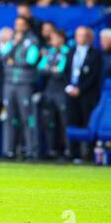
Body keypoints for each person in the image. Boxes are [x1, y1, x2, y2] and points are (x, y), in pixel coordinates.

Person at [0, 16, 40, 159]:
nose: (18, 26)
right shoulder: (12, 40)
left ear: (27, 25)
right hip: (9, 83)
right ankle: (9, 150)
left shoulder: (33, 41)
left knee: (27, 117)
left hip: (25, 83)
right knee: (9, 117)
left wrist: (14, 62)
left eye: (21, 24)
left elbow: (31, 60)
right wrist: (15, 45)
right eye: (16, 24)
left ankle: (31, 150)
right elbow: (3, 57)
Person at [64, 26, 102, 161]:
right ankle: (73, 153)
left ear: (88, 37)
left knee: (87, 122)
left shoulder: (95, 54)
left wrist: (80, 89)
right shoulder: (71, 52)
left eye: (83, 35)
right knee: (71, 121)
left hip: (87, 95)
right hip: (71, 93)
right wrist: (69, 87)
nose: (81, 38)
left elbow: (94, 76)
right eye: (78, 35)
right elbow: (66, 70)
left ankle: (89, 154)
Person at [37, 30, 70, 158]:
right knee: (48, 121)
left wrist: (50, 69)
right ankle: (52, 150)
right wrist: (52, 70)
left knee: (64, 121)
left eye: (54, 38)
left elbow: (61, 71)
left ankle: (67, 149)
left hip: (61, 90)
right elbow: (40, 68)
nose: (52, 41)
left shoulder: (67, 52)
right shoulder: (50, 52)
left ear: (61, 38)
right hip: (49, 90)